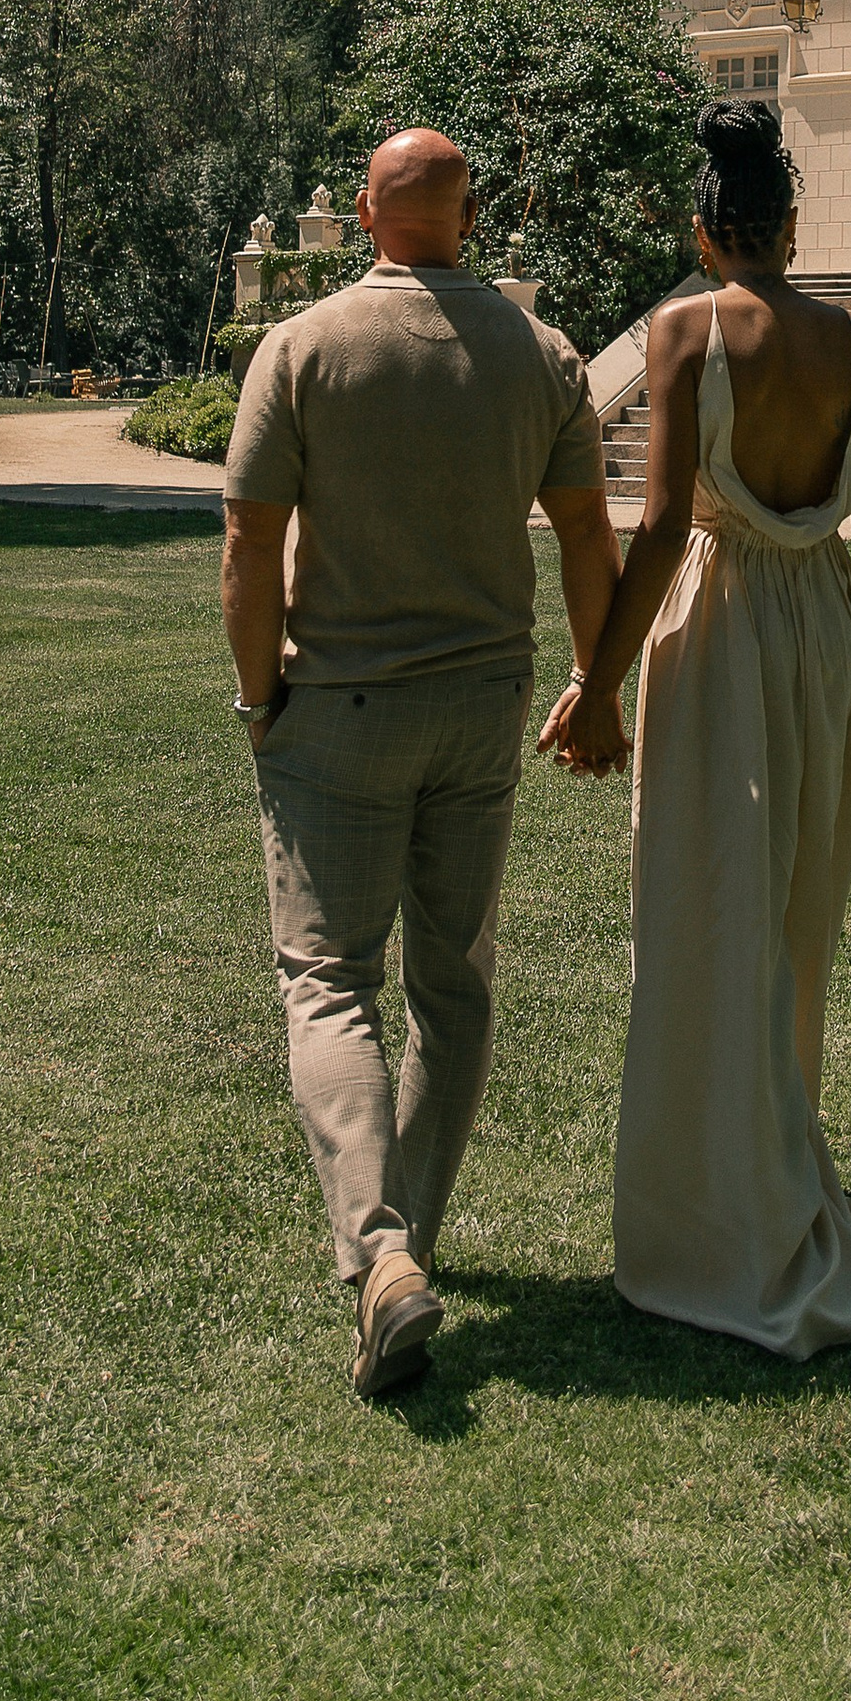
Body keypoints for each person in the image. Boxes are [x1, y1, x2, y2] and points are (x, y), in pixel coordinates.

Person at [223, 129, 624, 1402]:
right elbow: (586, 541)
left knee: (328, 979)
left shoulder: (305, 345)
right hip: (481, 703)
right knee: (452, 989)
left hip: (336, 703)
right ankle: (404, 1258)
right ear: (467, 215)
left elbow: (247, 541)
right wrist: (591, 679)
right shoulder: (540, 354)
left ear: (362, 212)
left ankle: (382, 1257)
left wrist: (255, 694)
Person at [542, 99, 851, 1359]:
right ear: (791, 224)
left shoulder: (685, 328)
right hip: (828, 633)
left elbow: (654, 527)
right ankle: (777, 1133)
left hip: (724, 617)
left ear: (703, 228)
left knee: (704, 900)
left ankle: (721, 1188)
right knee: (797, 908)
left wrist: (596, 677)